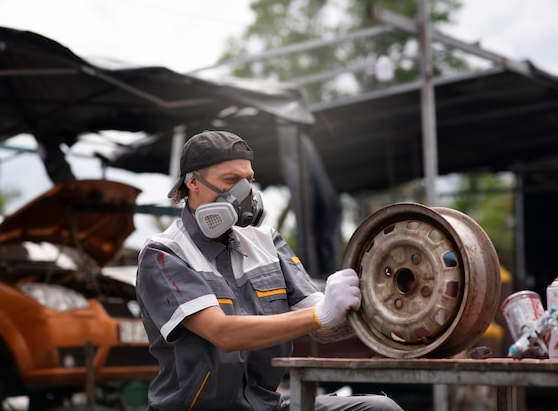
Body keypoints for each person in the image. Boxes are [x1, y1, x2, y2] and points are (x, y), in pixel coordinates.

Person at [135, 130, 404, 411]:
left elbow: (325, 326)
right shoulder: (165, 253)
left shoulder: (267, 241)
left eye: (248, 181)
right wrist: (321, 315)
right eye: (230, 181)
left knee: (379, 409)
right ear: (193, 183)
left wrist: (381, 300)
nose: (243, 193)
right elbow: (223, 334)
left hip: (267, 406)